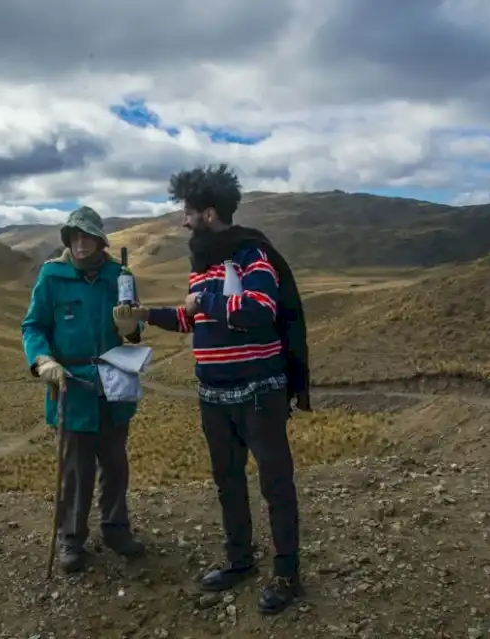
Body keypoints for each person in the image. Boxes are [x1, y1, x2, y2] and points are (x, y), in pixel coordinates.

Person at [113, 164, 311, 615]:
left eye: (187, 212)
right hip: (214, 396)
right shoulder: (203, 264)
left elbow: (259, 309)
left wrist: (206, 302)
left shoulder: (250, 255)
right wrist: (144, 316)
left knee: (275, 483)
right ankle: (240, 561)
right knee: (227, 481)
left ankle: (287, 573)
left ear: (208, 212)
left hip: (260, 391)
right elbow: (192, 318)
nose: (183, 221)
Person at [21, 205, 146, 574]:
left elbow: (134, 329)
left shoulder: (118, 276)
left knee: (115, 464)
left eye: (86, 237)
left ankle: (115, 529)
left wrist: (132, 329)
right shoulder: (52, 277)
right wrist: (42, 360)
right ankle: (71, 538)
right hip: (71, 387)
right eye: (73, 237)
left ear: (99, 240)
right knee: (75, 470)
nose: (79, 244)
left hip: (114, 381)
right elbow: (33, 326)